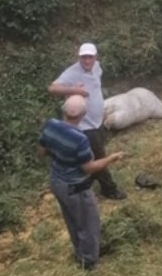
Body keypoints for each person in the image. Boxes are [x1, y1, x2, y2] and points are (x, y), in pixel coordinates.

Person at [38, 96, 126, 270]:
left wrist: (59, 152)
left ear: (63, 110)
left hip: (56, 182)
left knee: (72, 219)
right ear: (83, 115)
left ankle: (80, 252)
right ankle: (88, 263)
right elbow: (88, 168)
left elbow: (41, 151)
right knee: (89, 224)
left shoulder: (50, 125)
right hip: (75, 187)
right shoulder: (80, 139)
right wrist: (111, 159)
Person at [48, 43, 127, 200]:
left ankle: (85, 182)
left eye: (90, 57)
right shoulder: (72, 72)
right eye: (84, 57)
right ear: (79, 57)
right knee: (99, 156)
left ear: (95, 57)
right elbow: (52, 88)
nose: (87, 60)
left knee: (90, 156)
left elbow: (95, 89)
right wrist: (73, 90)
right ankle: (109, 189)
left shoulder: (97, 67)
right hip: (84, 125)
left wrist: (101, 110)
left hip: (97, 121)